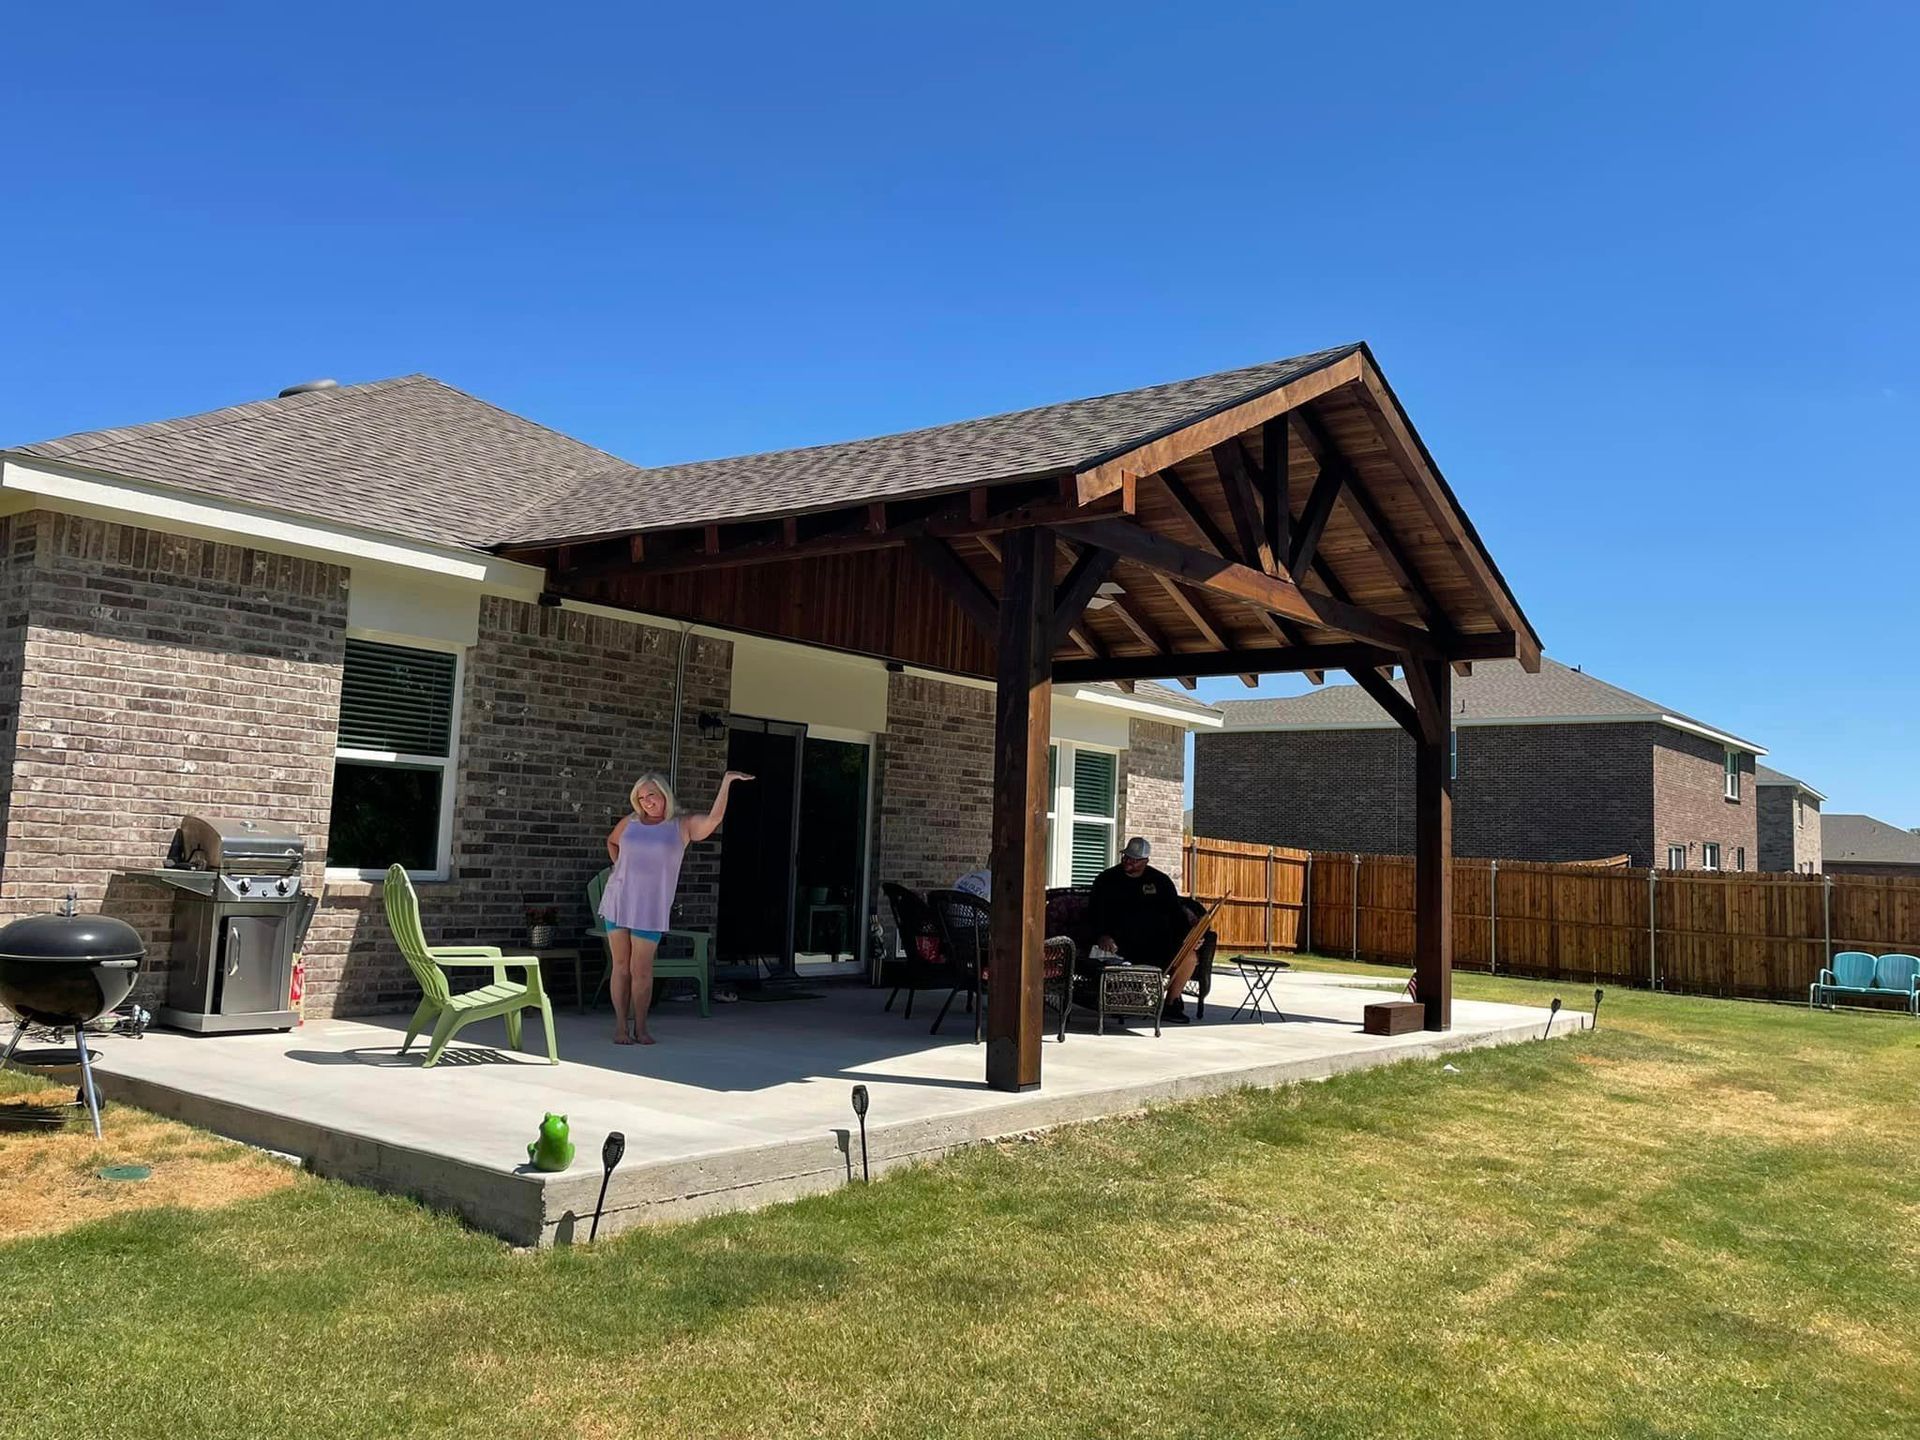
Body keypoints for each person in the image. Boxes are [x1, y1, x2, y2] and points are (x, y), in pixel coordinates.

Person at [599, 769, 752, 1045]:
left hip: (650, 907)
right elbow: (611, 841)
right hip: (618, 900)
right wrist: (618, 868)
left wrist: (726, 782)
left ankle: (642, 1028)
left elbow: (715, 819)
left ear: (664, 795)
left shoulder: (681, 825)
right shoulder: (631, 822)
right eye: (641, 797)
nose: (646, 802)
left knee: (642, 969)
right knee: (621, 966)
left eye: (651, 795)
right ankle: (621, 1027)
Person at [1089, 836, 1202, 1023]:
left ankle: (1171, 1004)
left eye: (1134, 860)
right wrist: (1102, 935)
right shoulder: (1107, 880)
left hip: (1157, 944)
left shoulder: (1160, 881)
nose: (1128, 862)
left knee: (1189, 956)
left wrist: (1190, 936)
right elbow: (1094, 913)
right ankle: (1118, 1001)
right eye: (1126, 857)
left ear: (1145, 861)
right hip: (1121, 945)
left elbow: (1175, 913)